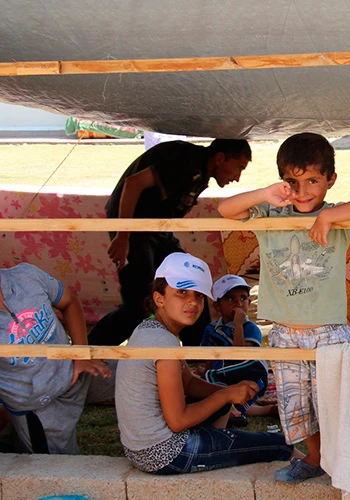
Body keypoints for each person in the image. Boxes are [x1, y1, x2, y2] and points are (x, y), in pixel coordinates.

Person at [218, 132, 350, 484]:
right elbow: (225, 209)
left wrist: (327, 217)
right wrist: (266, 193)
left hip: (329, 333)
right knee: (295, 407)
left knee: (336, 405)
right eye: (293, 181)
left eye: (312, 181)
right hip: (285, 332)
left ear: (330, 181)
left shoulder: (337, 221)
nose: (303, 191)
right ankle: (315, 457)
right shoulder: (269, 213)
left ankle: (349, 465)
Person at [114, 252, 295, 475]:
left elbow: (189, 384)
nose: (192, 301)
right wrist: (226, 395)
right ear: (159, 298)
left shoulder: (149, 330)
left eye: (198, 295)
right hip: (166, 454)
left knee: (221, 403)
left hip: (140, 449)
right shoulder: (163, 343)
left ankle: (216, 444)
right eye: (182, 292)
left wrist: (228, 391)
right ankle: (323, 475)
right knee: (279, 444)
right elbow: (178, 421)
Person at [0, 231, 114, 455]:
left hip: (77, 372)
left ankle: (9, 424)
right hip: (40, 408)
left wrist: (80, 354)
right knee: (63, 473)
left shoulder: (26, 276)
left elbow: (69, 301)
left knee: (146, 373)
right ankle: (13, 427)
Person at [89, 139, 252, 348]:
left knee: (194, 282)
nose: (237, 177)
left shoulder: (200, 172)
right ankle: (85, 352)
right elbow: (133, 184)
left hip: (158, 231)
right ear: (220, 158)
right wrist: (123, 235)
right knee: (139, 305)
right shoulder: (185, 161)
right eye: (238, 167)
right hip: (135, 230)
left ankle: (198, 357)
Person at [200, 274, 270, 416]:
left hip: (251, 374)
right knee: (207, 383)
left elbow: (241, 355)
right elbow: (208, 356)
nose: (238, 303)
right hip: (226, 377)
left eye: (243, 298)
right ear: (217, 306)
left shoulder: (250, 328)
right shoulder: (211, 328)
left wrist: (238, 324)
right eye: (231, 298)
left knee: (211, 379)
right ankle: (265, 410)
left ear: (249, 303)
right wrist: (205, 371)